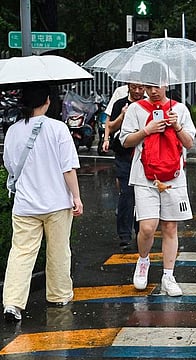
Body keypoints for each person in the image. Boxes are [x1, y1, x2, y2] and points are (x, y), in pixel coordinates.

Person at [2, 83, 83, 322]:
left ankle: (13, 303)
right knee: (59, 251)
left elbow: (9, 165)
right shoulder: (58, 129)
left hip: (25, 204)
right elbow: (68, 168)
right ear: (47, 100)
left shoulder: (13, 131)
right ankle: (58, 295)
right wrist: (76, 197)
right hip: (56, 203)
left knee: (21, 253)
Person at [119, 84, 196, 296]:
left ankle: (168, 276)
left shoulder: (179, 109)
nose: (153, 92)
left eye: (157, 87)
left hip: (174, 176)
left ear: (166, 85)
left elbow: (189, 143)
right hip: (145, 175)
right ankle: (143, 261)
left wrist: (177, 126)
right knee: (147, 227)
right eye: (149, 87)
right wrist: (147, 130)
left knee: (170, 227)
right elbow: (125, 140)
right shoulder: (136, 109)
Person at [102, 83, 145, 250]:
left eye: (141, 88)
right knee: (126, 193)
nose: (137, 91)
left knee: (141, 193)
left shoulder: (147, 105)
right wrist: (122, 116)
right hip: (123, 154)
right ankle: (124, 235)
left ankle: (140, 230)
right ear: (128, 87)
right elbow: (111, 126)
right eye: (134, 87)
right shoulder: (120, 103)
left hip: (142, 154)